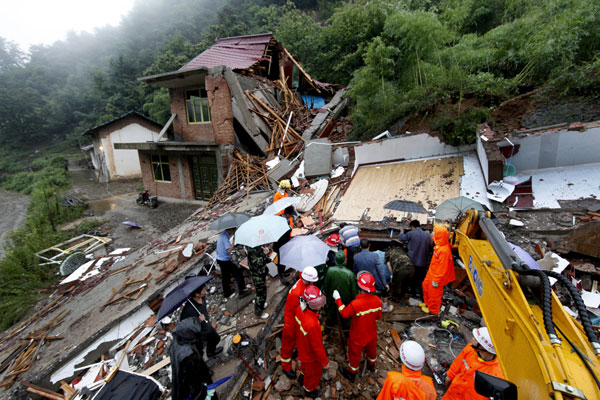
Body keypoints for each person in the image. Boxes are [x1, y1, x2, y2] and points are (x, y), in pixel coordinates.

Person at [334, 272, 382, 382]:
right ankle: (371, 365)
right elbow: (378, 317)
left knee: (354, 354)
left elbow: (344, 313)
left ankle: (352, 373)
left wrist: (338, 299)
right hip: (371, 333)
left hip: (358, 336)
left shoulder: (356, 304)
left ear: (360, 287)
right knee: (371, 350)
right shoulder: (377, 301)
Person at [443, 327, 504, 400]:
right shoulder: (470, 350)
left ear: (483, 346)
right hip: (453, 394)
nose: (472, 339)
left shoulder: (496, 374)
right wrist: (449, 377)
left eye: (476, 339)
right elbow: (457, 365)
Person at [280, 266, 319, 379]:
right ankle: (285, 366)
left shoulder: (304, 284)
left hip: (297, 319)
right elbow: (295, 311)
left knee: (296, 340)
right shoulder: (296, 293)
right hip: (291, 322)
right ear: (306, 280)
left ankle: (292, 354)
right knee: (287, 345)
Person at [296, 285, 329, 399]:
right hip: (310, 355)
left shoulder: (302, 311)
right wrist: (324, 362)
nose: (320, 305)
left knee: (305, 368)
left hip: (302, 348)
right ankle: (309, 389)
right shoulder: (313, 324)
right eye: (317, 303)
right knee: (313, 373)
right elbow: (317, 346)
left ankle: (302, 377)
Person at [169, 318, 215, 400]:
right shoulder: (189, 356)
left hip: (183, 382)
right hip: (197, 387)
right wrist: (203, 392)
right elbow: (195, 382)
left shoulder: (178, 339)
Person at [321, 250, 358, 338]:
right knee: (346, 319)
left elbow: (325, 287)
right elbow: (354, 293)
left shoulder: (330, 271)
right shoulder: (350, 274)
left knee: (330, 316)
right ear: (345, 260)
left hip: (332, 300)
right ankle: (347, 336)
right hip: (346, 302)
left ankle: (326, 333)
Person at [180, 285, 223, 358]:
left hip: (206, 326)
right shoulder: (189, 310)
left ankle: (210, 352)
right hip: (199, 333)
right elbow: (185, 324)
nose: (205, 291)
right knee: (199, 352)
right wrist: (198, 320)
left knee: (216, 338)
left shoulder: (202, 298)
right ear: (197, 294)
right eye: (203, 290)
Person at [421, 225, 455, 314]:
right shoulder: (440, 244)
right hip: (432, 271)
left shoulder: (444, 251)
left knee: (434, 294)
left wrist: (436, 280)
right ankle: (427, 304)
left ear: (439, 235)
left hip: (437, 276)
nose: (433, 234)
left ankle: (433, 311)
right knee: (425, 286)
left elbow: (442, 268)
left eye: (435, 233)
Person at [353, 238, 393, 312]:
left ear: (360, 246)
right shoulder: (375, 256)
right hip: (374, 279)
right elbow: (380, 271)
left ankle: (364, 306)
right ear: (369, 245)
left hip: (362, 280)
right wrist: (385, 283)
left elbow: (355, 270)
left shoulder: (356, 257)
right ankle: (384, 308)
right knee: (384, 290)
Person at [398, 220, 434, 291]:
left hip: (412, 261)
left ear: (412, 226)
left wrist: (401, 231)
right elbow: (431, 246)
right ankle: (420, 291)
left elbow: (402, 238)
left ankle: (412, 290)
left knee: (412, 278)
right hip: (423, 261)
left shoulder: (411, 233)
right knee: (421, 278)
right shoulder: (427, 235)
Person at [216, 228, 249, 299]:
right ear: (230, 230)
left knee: (225, 276)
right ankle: (242, 291)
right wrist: (234, 242)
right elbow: (229, 250)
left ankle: (227, 292)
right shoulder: (224, 237)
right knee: (238, 273)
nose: (233, 233)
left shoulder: (222, 235)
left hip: (220, 259)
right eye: (233, 231)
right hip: (224, 260)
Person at [245, 245, 270, 319]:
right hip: (257, 275)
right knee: (261, 294)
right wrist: (265, 254)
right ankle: (259, 312)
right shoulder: (251, 250)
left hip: (260, 273)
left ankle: (260, 305)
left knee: (260, 291)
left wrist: (263, 251)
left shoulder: (255, 245)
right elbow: (256, 262)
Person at [273, 206, 296, 285]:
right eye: (290, 215)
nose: (291, 216)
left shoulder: (286, 220)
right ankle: (281, 276)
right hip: (280, 245)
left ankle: (282, 272)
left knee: (284, 260)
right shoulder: (279, 221)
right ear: (287, 214)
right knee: (281, 261)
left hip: (285, 244)